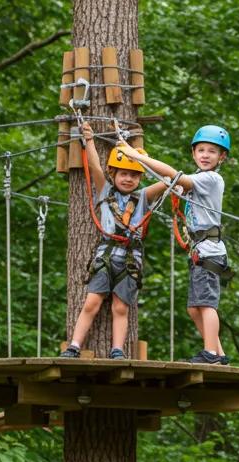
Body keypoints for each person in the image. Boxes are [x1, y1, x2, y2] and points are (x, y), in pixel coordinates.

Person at [118, 124, 232, 364]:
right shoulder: (199, 180)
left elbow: (172, 175)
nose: (205, 155)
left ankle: (210, 353)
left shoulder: (210, 179)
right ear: (193, 153)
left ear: (222, 157)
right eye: (201, 150)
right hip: (200, 251)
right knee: (194, 308)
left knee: (206, 303)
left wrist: (135, 156)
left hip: (209, 250)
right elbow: (170, 183)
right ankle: (219, 353)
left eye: (212, 151)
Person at [61, 124, 169, 359]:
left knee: (120, 307)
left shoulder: (143, 198)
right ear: (114, 174)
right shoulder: (105, 191)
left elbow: (170, 178)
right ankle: (74, 345)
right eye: (123, 173)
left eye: (134, 175)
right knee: (91, 303)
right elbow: (94, 167)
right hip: (107, 255)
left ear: (140, 178)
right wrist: (88, 140)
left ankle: (117, 350)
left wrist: (138, 158)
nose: (128, 179)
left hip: (130, 259)